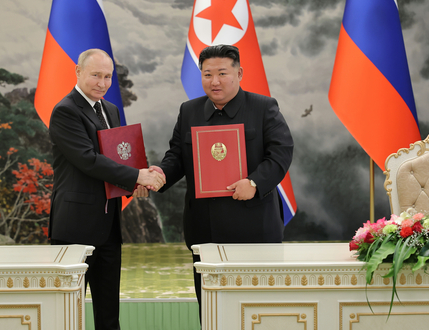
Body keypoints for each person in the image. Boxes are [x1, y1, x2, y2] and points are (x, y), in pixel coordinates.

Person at [140, 44, 293, 310]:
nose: (215, 81)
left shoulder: (263, 107)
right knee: (212, 308)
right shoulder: (189, 111)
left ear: (239, 73)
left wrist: (255, 183)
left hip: (254, 226)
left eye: (222, 73)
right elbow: (177, 156)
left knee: (256, 308)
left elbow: (281, 153)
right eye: (207, 74)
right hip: (205, 227)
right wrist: (161, 174)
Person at [48, 48, 165, 330]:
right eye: (95, 75)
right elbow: (89, 161)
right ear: (78, 72)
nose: (102, 83)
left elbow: (119, 159)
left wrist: (134, 184)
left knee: (109, 315)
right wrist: (138, 176)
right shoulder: (65, 111)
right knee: (66, 314)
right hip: (75, 229)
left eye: (108, 77)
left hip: (109, 229)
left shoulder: (111, 110)